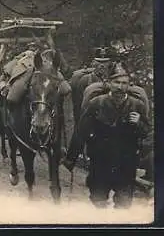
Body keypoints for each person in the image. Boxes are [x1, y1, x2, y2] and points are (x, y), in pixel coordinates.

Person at [62, 62, 152, 209]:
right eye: (116, 82)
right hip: (100, 162)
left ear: (129, 85)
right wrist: (71, 158)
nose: (120, 87)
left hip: (126, 164)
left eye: (124, 83)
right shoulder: (96, 103)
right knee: (98, 201)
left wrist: (139, 123)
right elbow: (81, 132)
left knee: (123, 205)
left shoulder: (137, 105)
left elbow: (147, 133)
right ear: (109, 83)